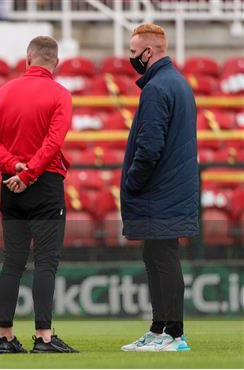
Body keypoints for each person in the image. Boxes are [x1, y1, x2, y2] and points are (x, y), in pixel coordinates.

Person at [0, 36, 78, 354]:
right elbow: (53, 142)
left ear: (28, 58)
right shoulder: (60, 95)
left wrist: (13, 167)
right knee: (46, 262)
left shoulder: (4, 92)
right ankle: (44, 337)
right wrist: (30, 173)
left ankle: (5, 337)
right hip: (45, 183)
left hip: (11, 185)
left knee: (12, 263)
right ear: (56, 63)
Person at [120, 24, 198, 353]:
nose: (130, 58)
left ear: (149, 52)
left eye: (134, 52)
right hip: (172, 188)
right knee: (154, 256)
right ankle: (158, 328)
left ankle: (173, 333)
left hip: (160, 190)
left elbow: (149, 147)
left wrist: (132, 182)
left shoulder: (156, 88)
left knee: (163, 258)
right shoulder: (178, 83)